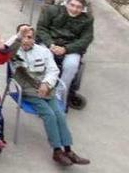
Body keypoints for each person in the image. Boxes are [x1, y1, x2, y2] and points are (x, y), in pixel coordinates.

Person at [10, 24, 90, 166]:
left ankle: (68, 150)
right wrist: (17, 37)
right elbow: (6, 49)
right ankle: (57, 151)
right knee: (49, 115)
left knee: (59, 114)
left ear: (33, 38)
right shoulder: (14, 50)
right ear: (18, 36)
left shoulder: (43, 51)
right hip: (28, 90)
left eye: (29, 37)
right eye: (23, 36)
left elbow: (53, 70)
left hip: (46, 89)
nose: (26, 40)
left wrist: (46, 83)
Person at [35, 0, 94, 98]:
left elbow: (86, 39)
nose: (74, 9)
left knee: (71, 65)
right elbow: (41, 28)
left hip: (70, 46)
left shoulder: (87, 20)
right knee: (42, 59)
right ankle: (41, 86)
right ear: (67, 4)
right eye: (72, 5)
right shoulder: (52, 10)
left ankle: (59, 94)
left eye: (78, 7)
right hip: (50, 41)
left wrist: (66, 49)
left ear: (83, 8)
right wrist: (50, 44)